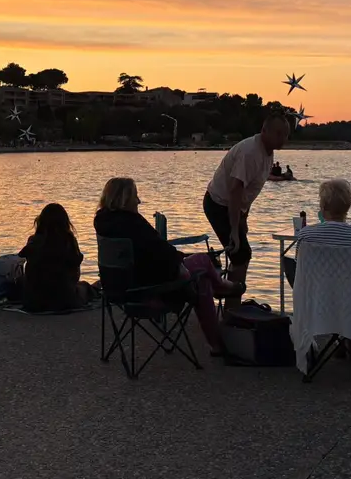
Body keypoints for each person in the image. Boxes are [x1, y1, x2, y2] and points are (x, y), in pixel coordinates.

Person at [97, 177, 243, 354]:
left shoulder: (102, 222)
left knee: (202, 280)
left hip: (117, 291)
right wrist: (180, 261)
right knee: (203, 264)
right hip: (148, 293)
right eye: (135, 196)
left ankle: (218, 341)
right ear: (124, 199)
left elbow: (155, 253)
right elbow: (165, 254)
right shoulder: (133, 223)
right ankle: (223, 289)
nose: (139, 201)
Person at [203, 113, 291, 307]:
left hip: (233, 207)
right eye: (278, 133)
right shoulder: (250, 153)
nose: (283, 138)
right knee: (241, 254)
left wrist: (243, 218)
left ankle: (230, 300)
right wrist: (234, 229)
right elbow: (235, 190)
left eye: (286, 134)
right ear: (264, 130)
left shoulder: (268, 152)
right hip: (219, 204)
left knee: (240, 254)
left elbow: (250, 190)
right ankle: (231, 308)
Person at [283, 178, 351, 286]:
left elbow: (300, 267)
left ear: (322, 207)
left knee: (288, 262)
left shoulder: (306, 235)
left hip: (316, 293)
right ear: (348, 207)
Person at [18, 203, 96, 313]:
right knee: (85, 287)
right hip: (64, 300)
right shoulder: (69, 242)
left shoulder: (33, 242)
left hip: (35, 302)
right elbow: (75, 275)